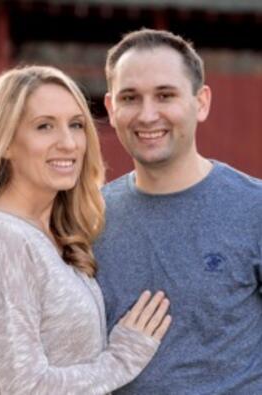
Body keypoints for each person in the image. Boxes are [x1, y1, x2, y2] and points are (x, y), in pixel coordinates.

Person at [0, 65, 172, 395]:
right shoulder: (1, 238)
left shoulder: (52, 234)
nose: (68, 143)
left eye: (76, 125)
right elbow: (25, 387)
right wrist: (121, 360)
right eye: (44, 126)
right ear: (6, 142)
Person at [94, 28, 262, 394]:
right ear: (111, 108)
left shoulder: (254, 209)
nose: (147, 114)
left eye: (165, 95)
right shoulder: (89, 219)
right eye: (130, 98)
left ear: (201, 102)